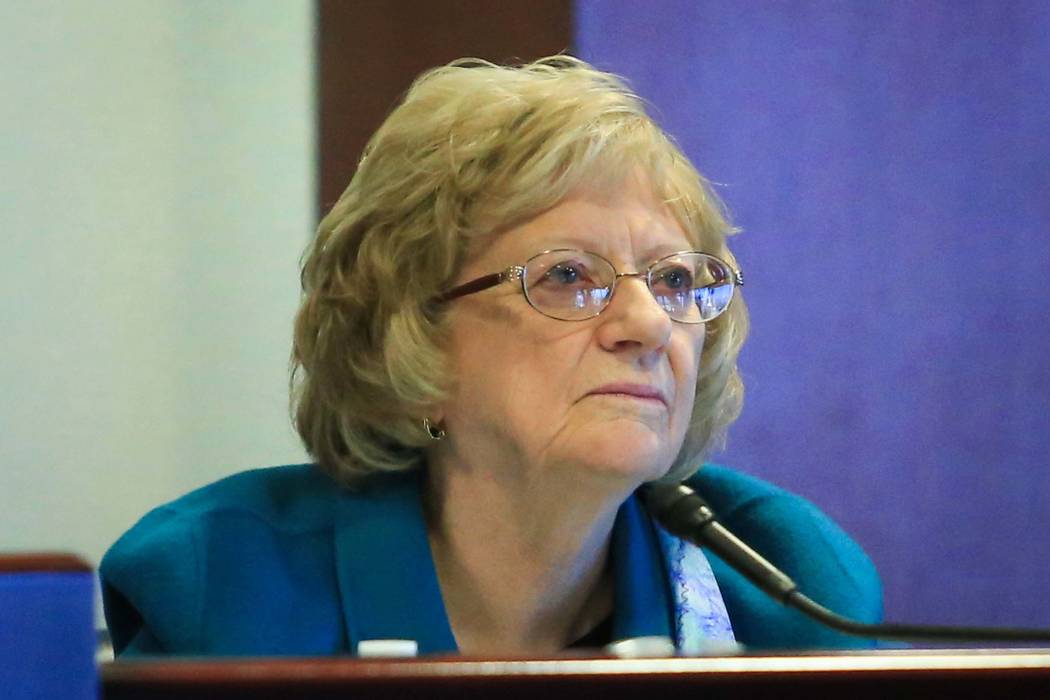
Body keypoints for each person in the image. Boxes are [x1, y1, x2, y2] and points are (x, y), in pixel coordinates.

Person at [100, 56, 882, 656]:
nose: (647, 324)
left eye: (675, 280)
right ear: (413, 338)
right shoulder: (225, 589)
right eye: (567, 276)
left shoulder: (784, 587)